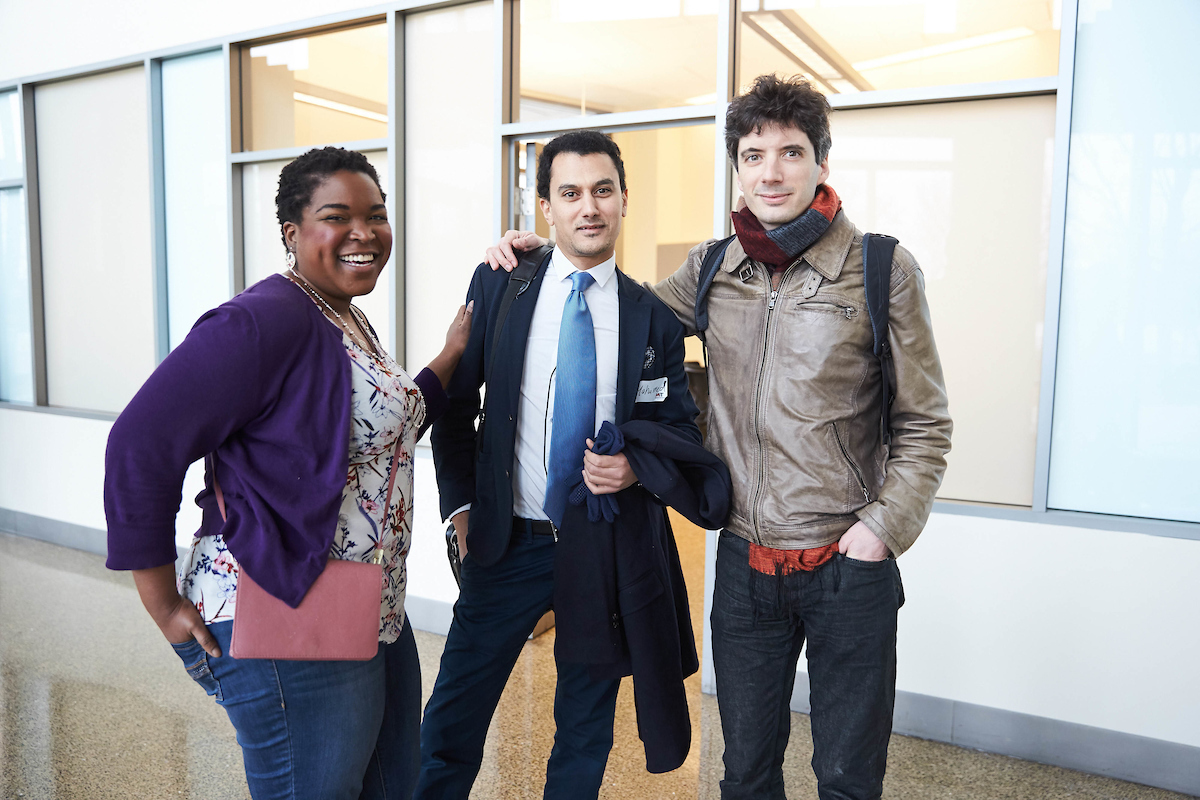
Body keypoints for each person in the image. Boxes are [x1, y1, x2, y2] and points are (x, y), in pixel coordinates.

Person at [486, 75, 953, 799]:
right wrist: (542, 259)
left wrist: (881, 531)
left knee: (848, 777)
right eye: (753, 153)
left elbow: (925, 422)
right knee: (745, 775)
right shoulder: (710, 269)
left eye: (791, 152)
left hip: (847, 567)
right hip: (745, 566)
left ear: (822, 162)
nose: (771, 171)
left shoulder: (880, 269)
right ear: (736, 167)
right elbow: (618, 314)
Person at [104, 146, 472, 800]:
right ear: (292, 233)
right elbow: (140, 443)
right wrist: (162, 602)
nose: (364, 232)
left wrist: (452, 353)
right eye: (338, 216)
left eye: (376, 215)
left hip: (371, 602)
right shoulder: (262, 320)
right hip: (284, 604)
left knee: (393, 786)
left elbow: (387, 428)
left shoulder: (343, 316)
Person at [417, 130, 727, 799]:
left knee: (585, 726)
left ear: (622, 200)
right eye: (570, 193)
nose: (588, 206)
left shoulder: (653, 320)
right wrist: (461, 507)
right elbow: (454, 402)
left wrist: (637, 471)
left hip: (602, 544)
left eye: (602, 190)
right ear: (546, 208)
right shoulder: (502, 284)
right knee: (450, 721)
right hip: (508, 544)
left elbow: (677, 428)